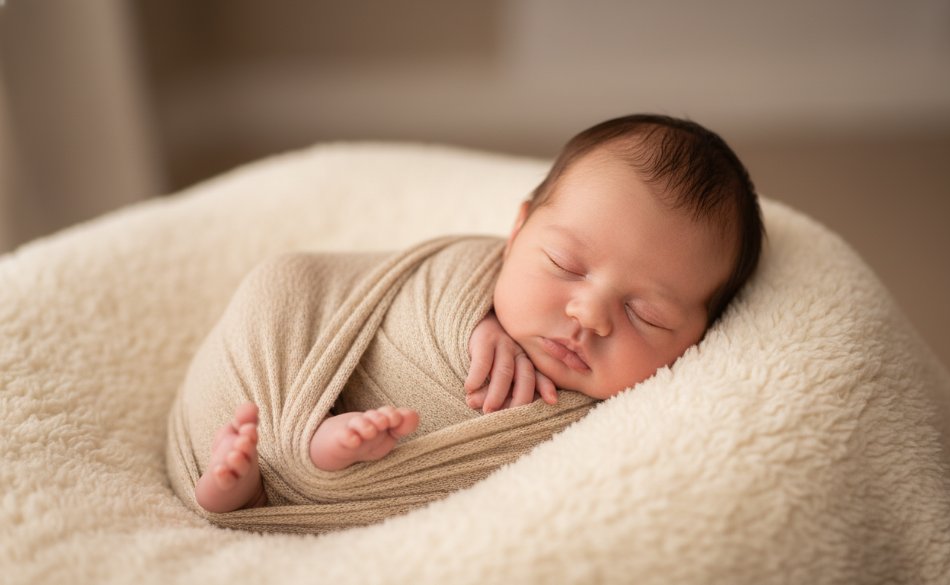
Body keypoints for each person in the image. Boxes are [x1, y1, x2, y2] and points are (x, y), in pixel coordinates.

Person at [193, 114, 764, 513]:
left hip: (383, 483)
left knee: (381, 450)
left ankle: (272, 488)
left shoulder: (630, 426)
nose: (588, 314)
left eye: (647, 315)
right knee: (283, 281)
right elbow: (390, 291)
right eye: (565, 263)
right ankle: (286, 448)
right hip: (299, 371)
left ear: (702, 338)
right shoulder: (465, 273)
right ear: (517, 232)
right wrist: (471, 321)